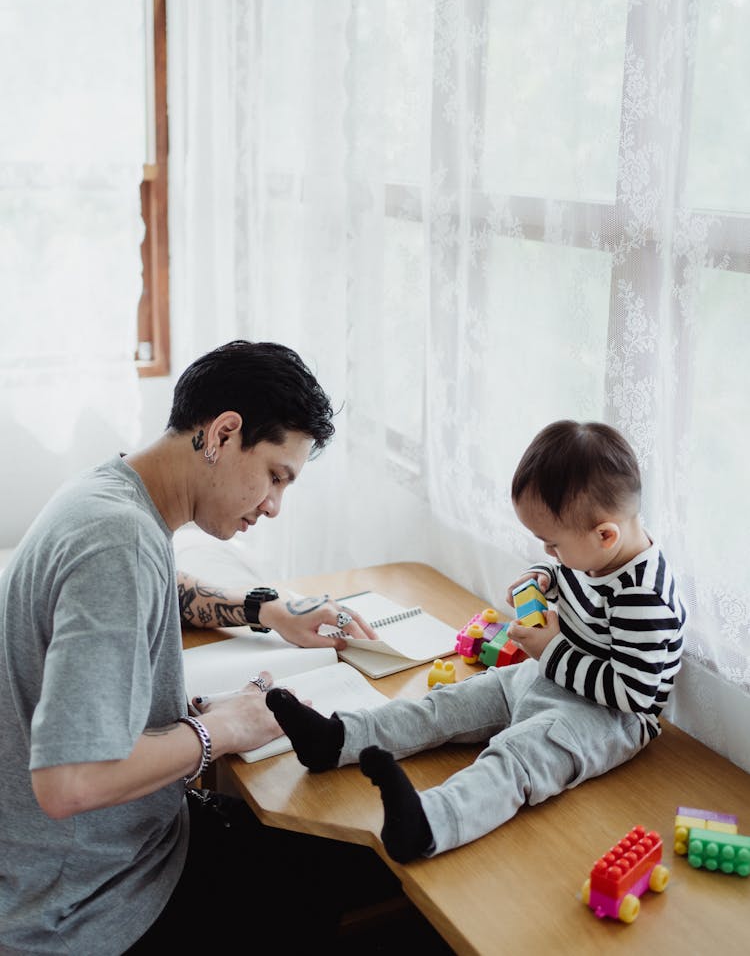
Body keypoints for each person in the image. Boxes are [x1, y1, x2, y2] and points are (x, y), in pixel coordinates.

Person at [0, 340, 402, 956]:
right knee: (362, 862)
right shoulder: (119, 544)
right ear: (223, 432)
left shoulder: (114, 493)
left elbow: (162, 585)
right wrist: (222, 731)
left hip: (87, 859)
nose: (273, 506)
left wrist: (264, 609)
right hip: (89, 899)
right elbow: (69, 783)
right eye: (275, 476)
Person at [267, 419, 687, 862]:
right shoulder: (595, 552)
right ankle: (337, 738)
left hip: (608, 718)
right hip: (548, 675)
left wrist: (550, 651)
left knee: (516, 757)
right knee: (447, 705)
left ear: (605, 534)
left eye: (551, 546)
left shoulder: (645, 598)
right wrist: (543, 577)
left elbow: (634, 692)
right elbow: (572, 572)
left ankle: (430, 822)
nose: (549, 553)